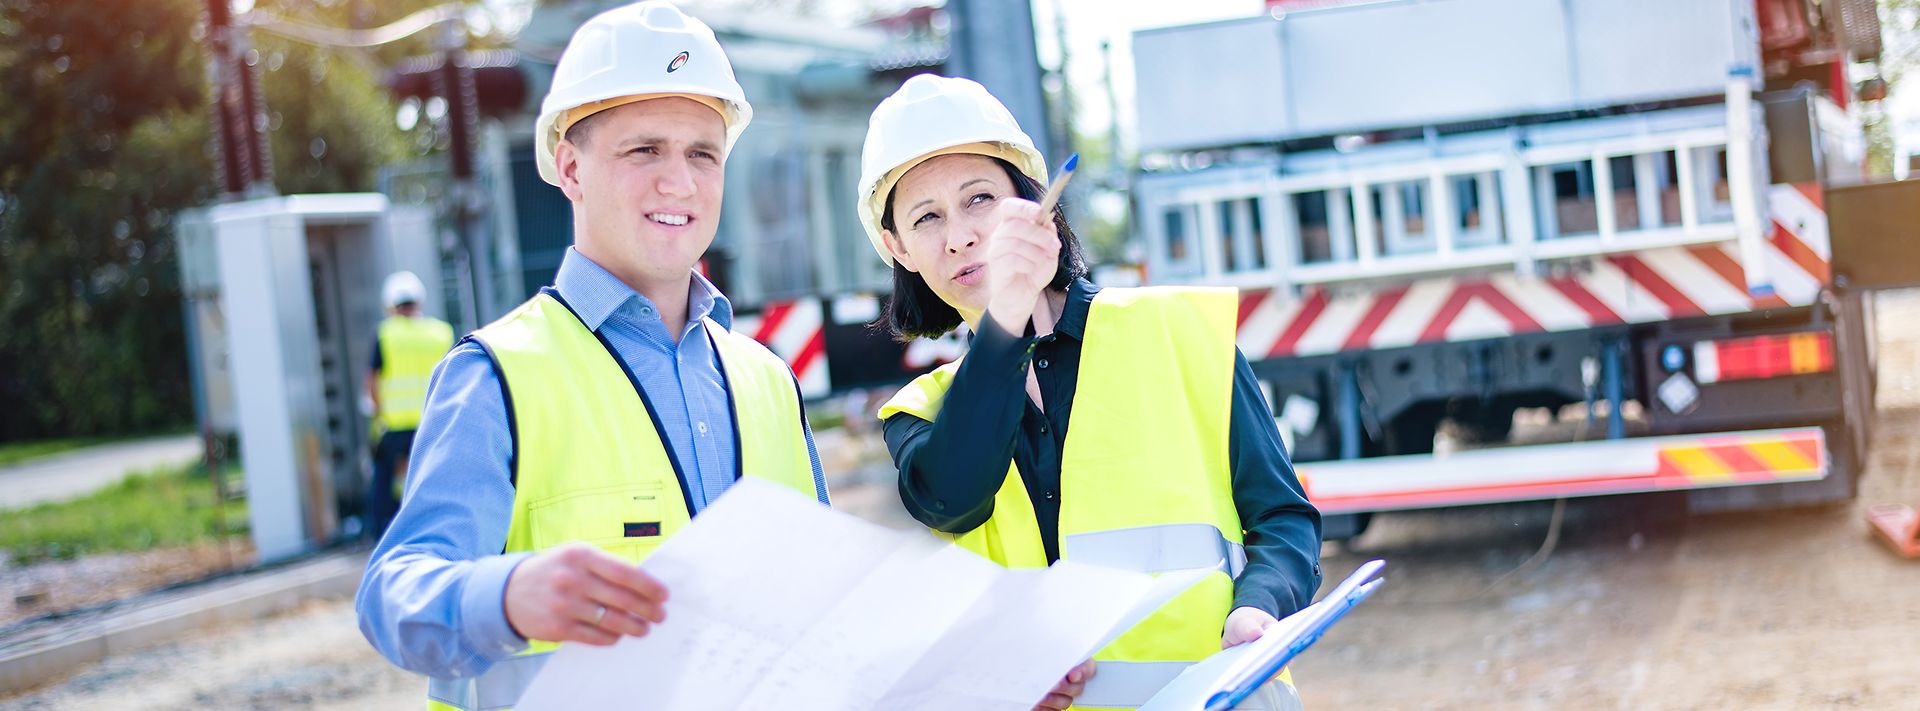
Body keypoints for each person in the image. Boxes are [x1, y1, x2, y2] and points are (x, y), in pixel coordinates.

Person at [355, 4, 828, 709]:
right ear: (570, 169)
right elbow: (392, 591)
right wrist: (508, 596)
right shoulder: (497, 376)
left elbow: (831, 612)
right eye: (645, 150)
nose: (681, 182)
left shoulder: (767, 380)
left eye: (704, 152)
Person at [858, 75, 1323, 710]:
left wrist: (1259, 607)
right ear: (897, 248)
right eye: (926, 218)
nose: (960, 236)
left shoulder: (1175, 333)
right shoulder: (919, 415)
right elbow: (954, 499)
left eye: (979, 200)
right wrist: (1007, 319)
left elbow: (1281, 518)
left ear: (1034, 206)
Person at [362, 270, 454, 541]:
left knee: (384, 483)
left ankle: (382, 536)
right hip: (433, 422)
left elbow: (372, 382)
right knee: (433, 479)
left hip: (395, 426)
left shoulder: (386, 334)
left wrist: (379, 416)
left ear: (391, 305)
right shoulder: (441, 333)